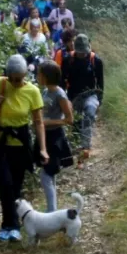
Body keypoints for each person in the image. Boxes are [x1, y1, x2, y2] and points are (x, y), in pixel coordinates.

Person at [0, 55, 48, 242]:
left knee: (16, 185)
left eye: (20, 77)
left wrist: (43, 148)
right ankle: (8, 225)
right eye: (13, 77)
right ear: (8, 75)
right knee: (6, 184)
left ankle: (16, 225)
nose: (16, 81)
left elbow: (38, 122)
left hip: (20, 143)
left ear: (25, 74)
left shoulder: (33, 91)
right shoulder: (0, 84)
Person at [36, 61, 74, 212]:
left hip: (55, 137)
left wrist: (46, 122)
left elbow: (69, 119)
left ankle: (51, 212)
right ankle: (53, 210)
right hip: (45, 135)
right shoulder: (45, 91)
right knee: (50, 174)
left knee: (46, 175)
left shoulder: (60, 94)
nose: (37, 76)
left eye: (39, 74)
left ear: (46, 76)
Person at [60, 34, 104, 162]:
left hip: (91, 94)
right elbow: (62, 81)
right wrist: (63, 100)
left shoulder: (95, 60)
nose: (82, 54)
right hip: (73, 95)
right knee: (75, 121)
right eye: (80, 52)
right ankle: (75, 144)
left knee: (89, 113)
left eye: (84, 52)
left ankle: (86, 145)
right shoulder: (68, 60)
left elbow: (100, 82)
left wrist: (99, 100)